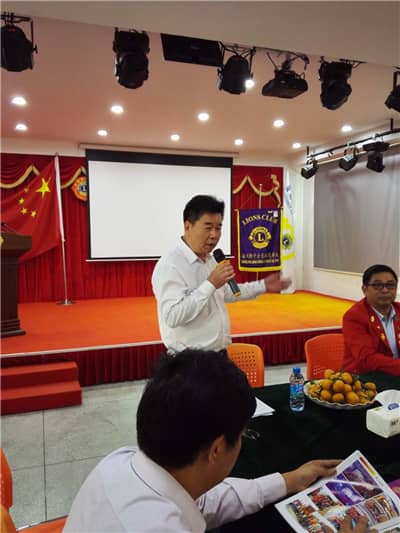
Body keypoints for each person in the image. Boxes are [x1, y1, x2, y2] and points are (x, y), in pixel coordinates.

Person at [64, 350, 372, 533]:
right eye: (242, 435)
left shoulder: (124, 461)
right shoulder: (156, 525)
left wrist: (290, 480)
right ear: (217, 449)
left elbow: (207, 500)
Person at [152, 195, 291, 353]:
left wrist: (263, 285)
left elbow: (227, 292)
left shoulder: (210, 260)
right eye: (208, 227)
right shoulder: (171, 265)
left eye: (218, 228)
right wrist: (210, 284)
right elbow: (172, 316)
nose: (214, 235)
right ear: (188, 226)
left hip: (218, 353)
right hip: (188, 360)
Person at [342, 264, 400, 376]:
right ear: (364, 289)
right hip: (363, 378)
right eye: (378, 285)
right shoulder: (354, 317)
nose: (385, 290)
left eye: (390, 285)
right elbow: (367, 358)